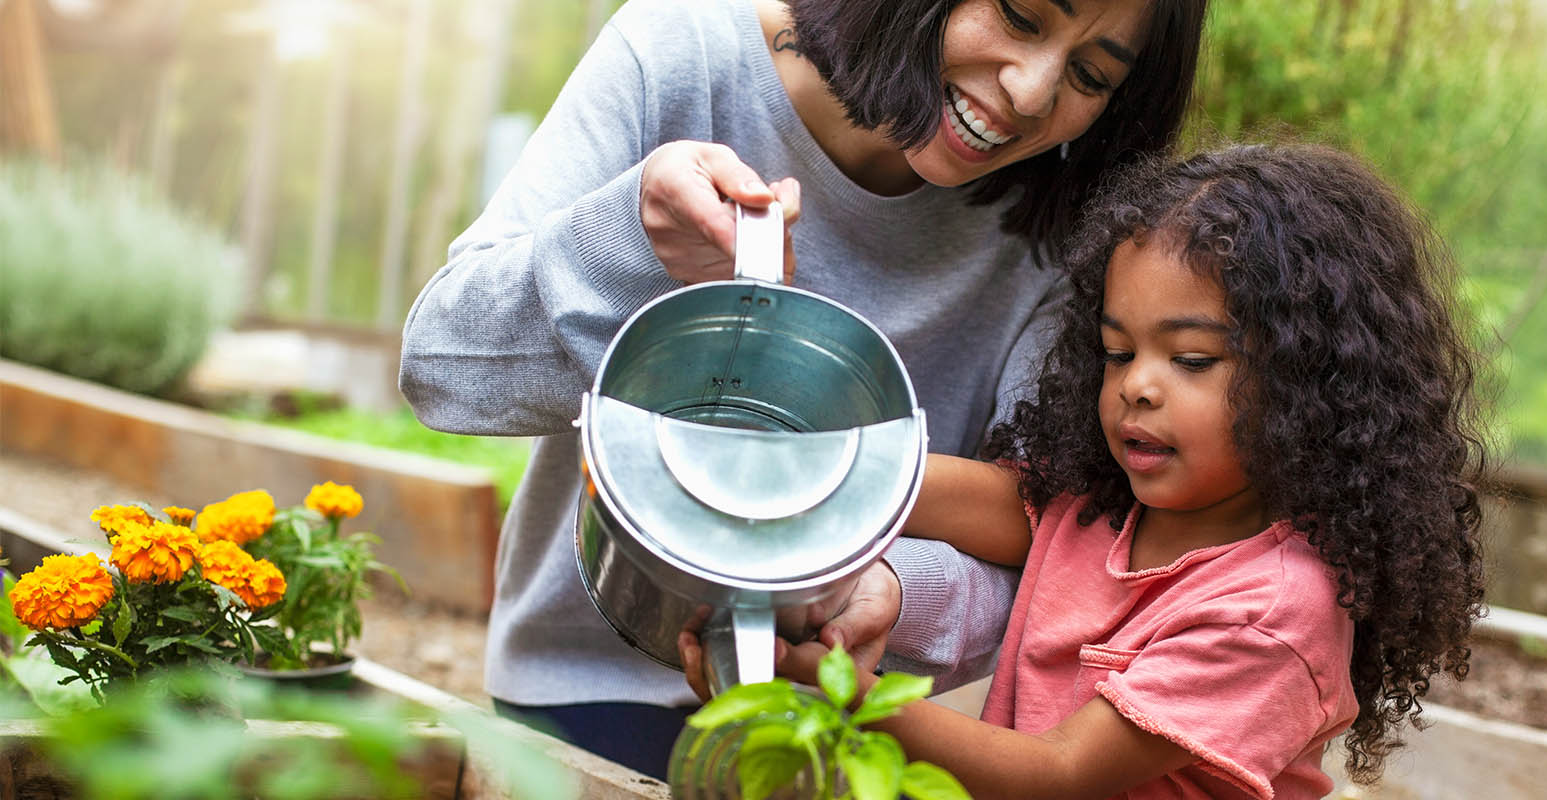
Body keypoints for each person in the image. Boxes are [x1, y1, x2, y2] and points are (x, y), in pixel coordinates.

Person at [398, 0, 1208, 778]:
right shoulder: (687, 52)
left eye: (1093, 77)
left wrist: (897, 589)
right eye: (1019, 15)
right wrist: (635, 236)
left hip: (840, 718)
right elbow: (442, 367)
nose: (1031, 91)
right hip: (588, 681)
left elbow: (1053, 537)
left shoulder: (1064, 237)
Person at [695, 143, 1489, 798]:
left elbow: (1063, 772)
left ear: (1309, 381)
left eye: (1191, 359)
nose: (1137, 384)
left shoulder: (1273, 610)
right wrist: (816, 468)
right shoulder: (1108, 507)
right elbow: (988, 501)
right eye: (1118, 351)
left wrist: (836, 694)